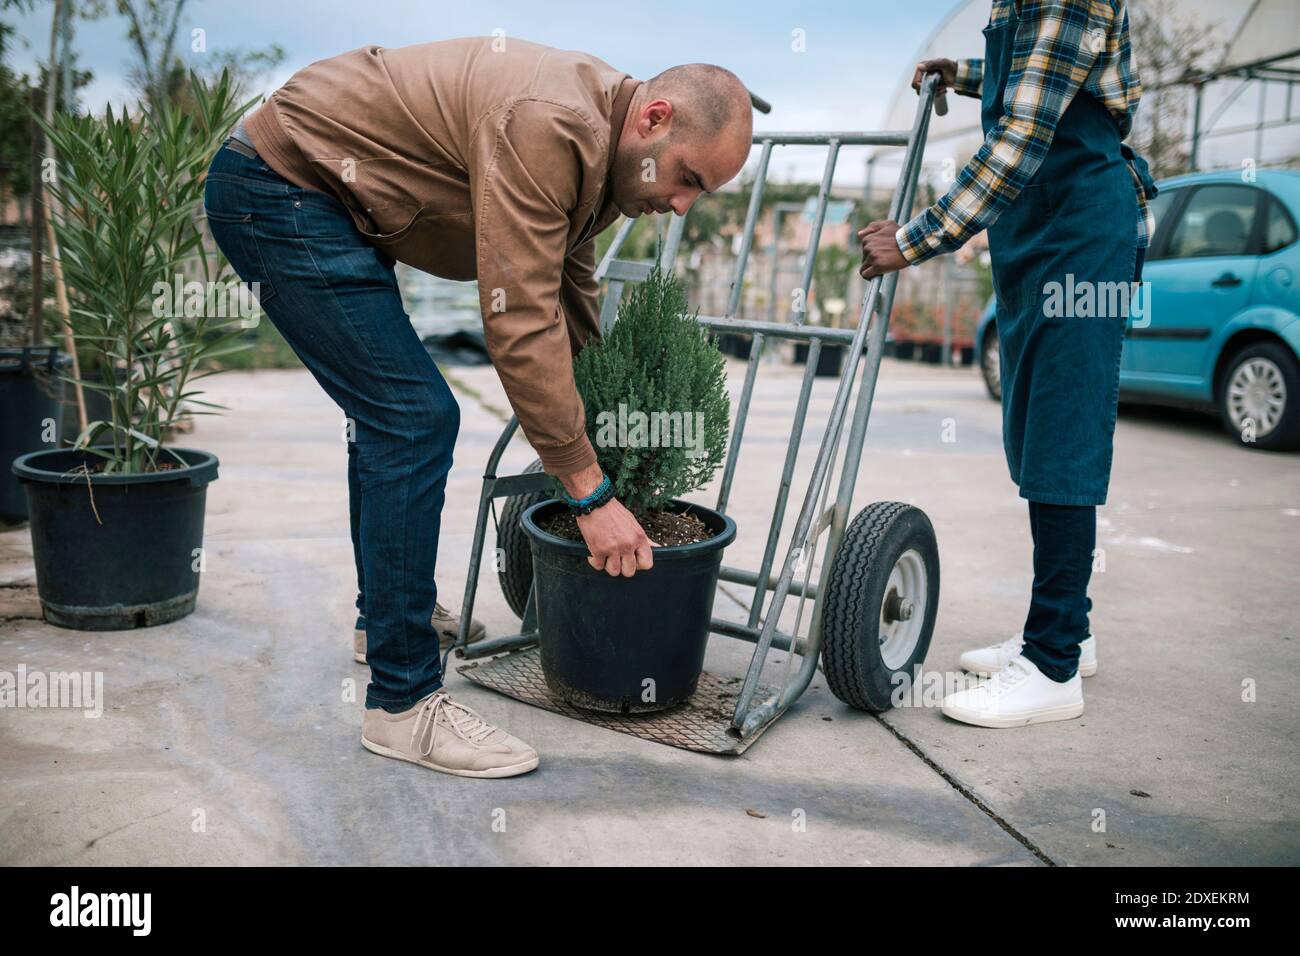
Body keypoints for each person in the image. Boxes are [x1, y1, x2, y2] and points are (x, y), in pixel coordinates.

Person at [204, 38, 754, 775]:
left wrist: (606, 420)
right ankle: (403, 706)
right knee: (413, 417)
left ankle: (385, 620)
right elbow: (519, 319)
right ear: (654, 118)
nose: (682, 204)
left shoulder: (600, 156)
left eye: (700, 194)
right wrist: (589, 491)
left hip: (334, 199)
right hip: (281, 188)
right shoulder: (550, 122)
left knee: (388, 417)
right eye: (688, 178)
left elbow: (570, 292)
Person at [859, 0, 1157, 727]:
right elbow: (1037, 76)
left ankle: (1053, 670)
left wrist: (917, 237)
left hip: (1083, 229)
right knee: (1031, 428)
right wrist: (966, 75)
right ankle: (1067, 631)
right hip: (1036, 229)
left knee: (1064, 431)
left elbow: (1023, 135)